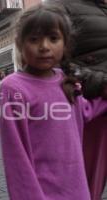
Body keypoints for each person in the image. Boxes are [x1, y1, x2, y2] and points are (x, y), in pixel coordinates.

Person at [0, 3, 107, 200]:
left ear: (65, 44)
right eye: (34, 39)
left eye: (53, 38)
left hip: (78, 191)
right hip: (41, 193)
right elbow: (16, 155)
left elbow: (87, 111)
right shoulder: (12, 88)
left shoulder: (67, 82)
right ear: (20, 44)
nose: (44, 46)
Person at [51, 0, 107, 199]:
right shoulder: (63, 6)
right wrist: (100, 83)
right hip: (96, 109)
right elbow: (56, 63)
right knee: (88, 186)